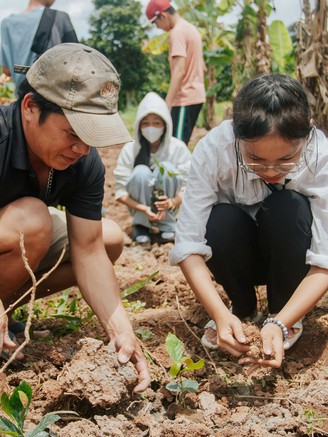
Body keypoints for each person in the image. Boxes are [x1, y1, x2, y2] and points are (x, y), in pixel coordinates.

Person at [0, 43, 150, 393]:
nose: (82, 148)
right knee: (33, 221)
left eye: (91, 136)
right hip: (18, 228)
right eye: (72, 133)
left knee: (108, 238)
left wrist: (121, 331)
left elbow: (89, 251)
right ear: (30, 107)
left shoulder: (84, 161)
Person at [169, 74, 328, 370]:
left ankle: (282, 312)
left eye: (285, 159)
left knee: (289, 206)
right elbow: (188, 245)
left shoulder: (322, 157)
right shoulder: (214, 149)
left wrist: (280, 323)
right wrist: (218, 314)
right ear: (235, 134)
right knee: (218, 219)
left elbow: (324, 262)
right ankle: (242, 309)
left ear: (307, 133)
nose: (270, 170)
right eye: (254, 159)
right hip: (239, 256)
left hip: (290, 256)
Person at [114, 92, 191, 244]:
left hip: (171, 206)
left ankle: (168, 226)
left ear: (165, 125)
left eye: (156, 123)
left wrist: (171, 202)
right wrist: (144, 209)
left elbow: (189, 185)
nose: (151, 128)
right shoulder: (130, 150)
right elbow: (120, 192)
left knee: (167, 168)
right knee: (140, 172)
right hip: (140, 207)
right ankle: (142, 225)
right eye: (145, 123)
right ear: (138, 126)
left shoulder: (177, 148)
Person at [145, 0, 206, 146]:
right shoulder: (190, 28)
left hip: (185, 98)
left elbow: (179, 71)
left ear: (163, 16)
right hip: (196, 95)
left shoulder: (177, 33)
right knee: (178, 145)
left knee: (175, 147)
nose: (158, 27)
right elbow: (202, 67)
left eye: (155, 23)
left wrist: (167, 104)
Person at [0, 0, 78, 91]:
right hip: (53, 99)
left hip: (23, 100)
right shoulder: (60, 18)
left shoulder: (6, 23)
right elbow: (78, 62)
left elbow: (7, 71)